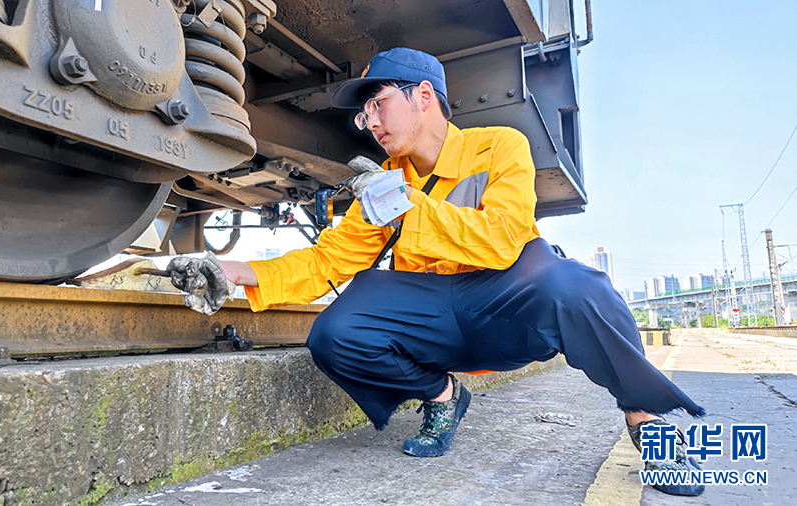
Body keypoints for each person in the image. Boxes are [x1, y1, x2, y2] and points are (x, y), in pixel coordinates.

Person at [170, 47, 705, 496]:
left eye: (378, 105)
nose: (370, 123)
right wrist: (232, 269)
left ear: (424, 95)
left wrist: (406, 205)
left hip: (501, 307)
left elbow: (503, 238)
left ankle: (646, 420)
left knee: (575, 283)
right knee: (336, 332)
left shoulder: (499, 147)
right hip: (433, 320)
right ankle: (442, 397)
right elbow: (327, 259)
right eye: (364, 116)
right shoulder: (384, 180)